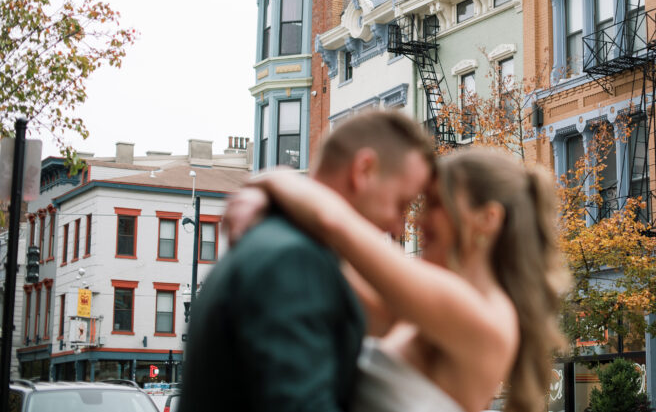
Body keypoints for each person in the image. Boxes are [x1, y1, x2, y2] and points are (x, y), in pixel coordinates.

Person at [230, 147, 568, 412]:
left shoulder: (483, 316)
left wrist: (269, 180)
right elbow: (335, 265)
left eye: (435, 203)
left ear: (488, 218)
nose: (417, 220)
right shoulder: (427, 313)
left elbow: (333, 224)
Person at [179, 110, 436, 412]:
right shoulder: (294, 262)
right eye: (401, 204)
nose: (397, 226)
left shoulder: (280, 245)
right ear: (363, 171)